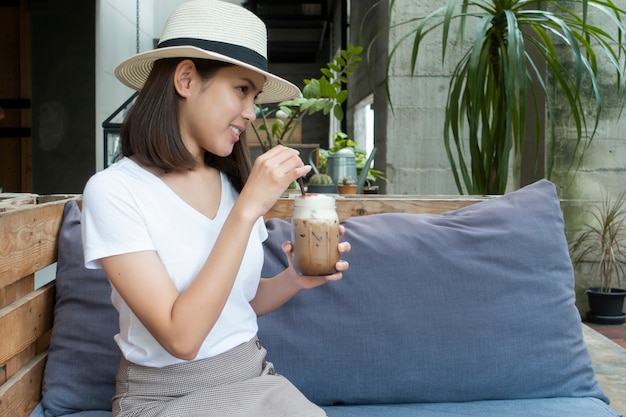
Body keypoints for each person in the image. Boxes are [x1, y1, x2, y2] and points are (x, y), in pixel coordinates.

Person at [81, 1, 350, 416]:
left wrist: (294, 279)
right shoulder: (115, 191)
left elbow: (235, 302)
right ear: (186, 78)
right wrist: (244, 213)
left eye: (255, 96)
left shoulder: (229, 183)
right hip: (165, 397)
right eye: (241, 89)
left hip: (253, 377)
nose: (251, 112)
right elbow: (182, 338)